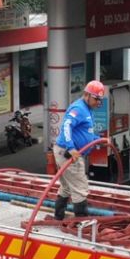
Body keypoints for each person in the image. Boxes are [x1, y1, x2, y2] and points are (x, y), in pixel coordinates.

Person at [51, 80, 108, 219]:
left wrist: (97, 139)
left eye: (100, 100)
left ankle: (59, 216)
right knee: (80, 188)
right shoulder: (79, 109)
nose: (98, 103)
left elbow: (84, 132)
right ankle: (81, 222)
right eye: (96, 99)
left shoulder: (87, 109)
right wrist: (71, 148)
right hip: (69, 154)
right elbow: (66, 125)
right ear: (86, 95)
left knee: (66, 187)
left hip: (66, 151)